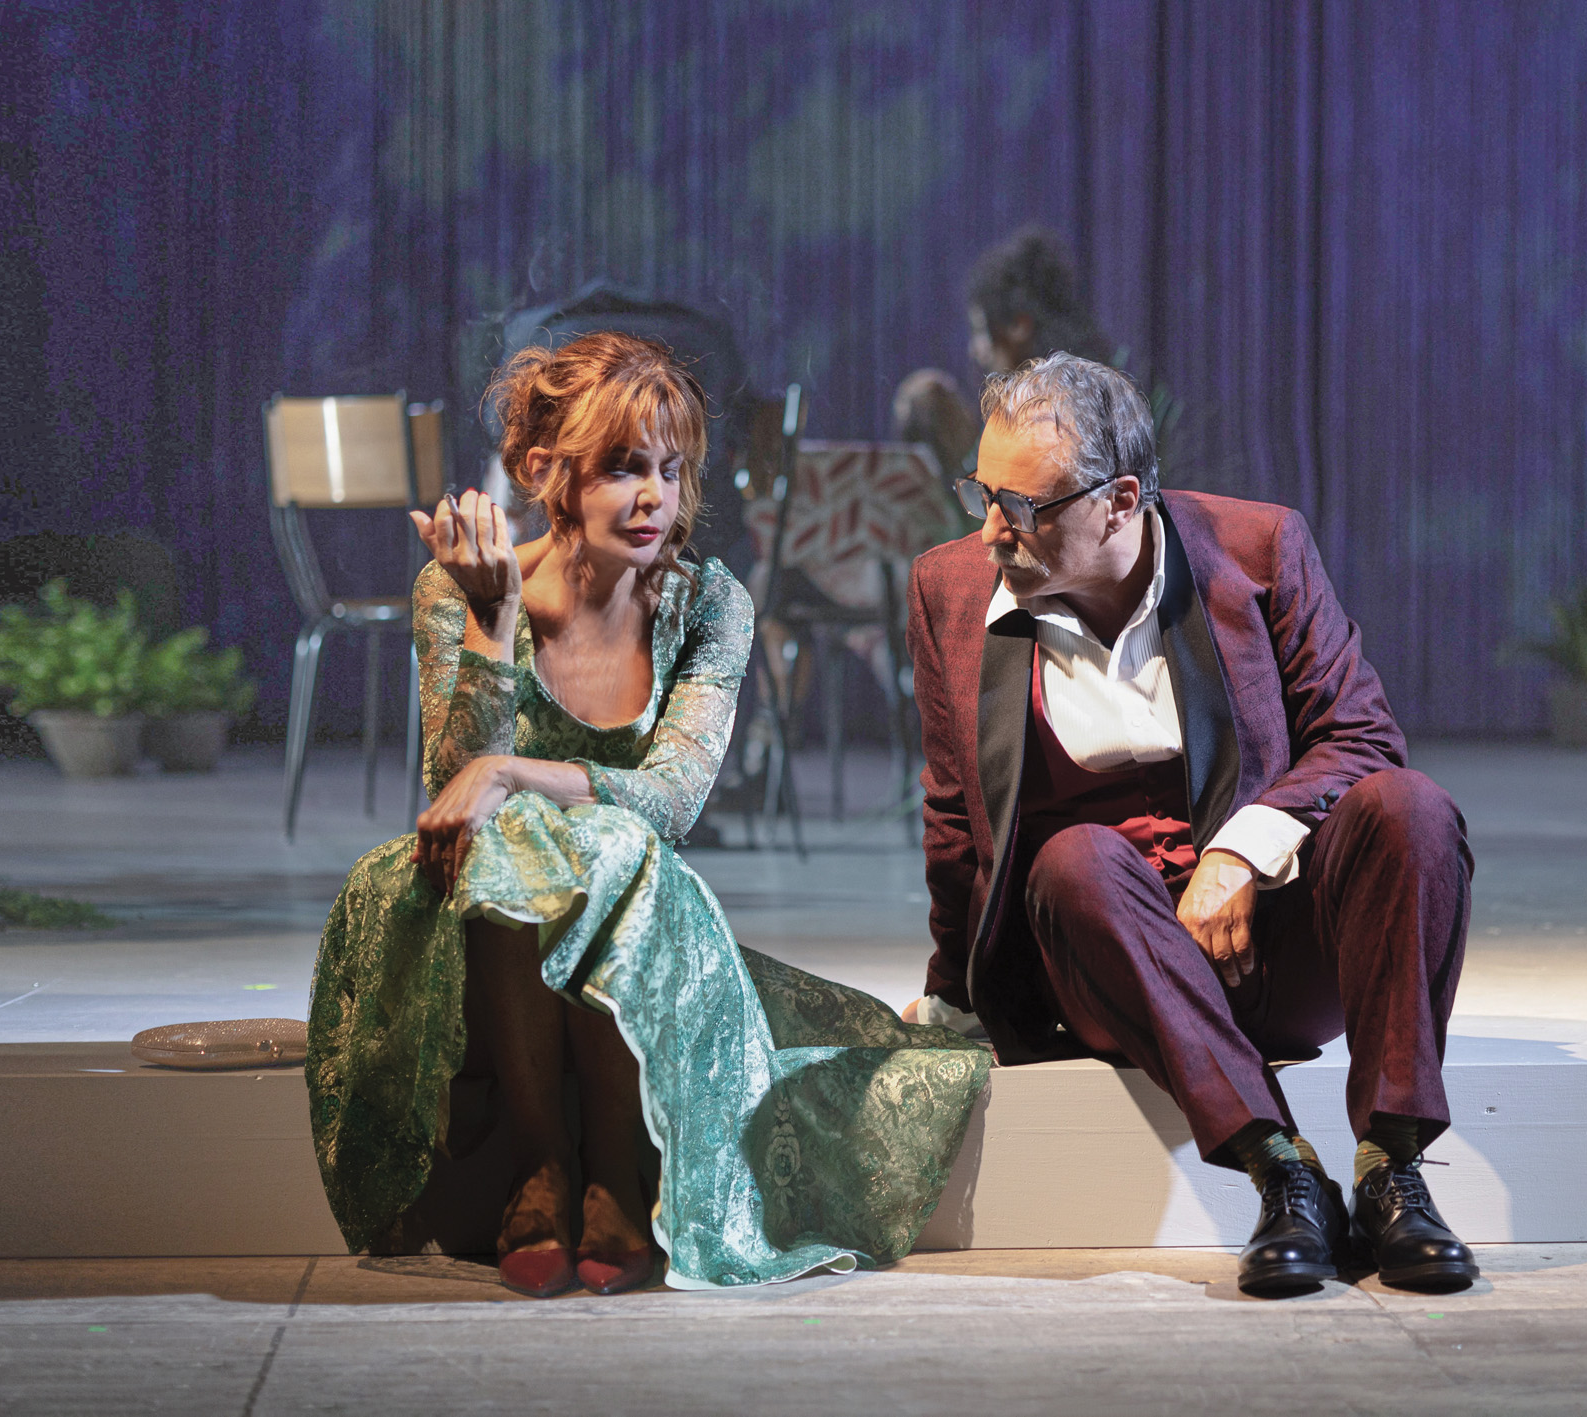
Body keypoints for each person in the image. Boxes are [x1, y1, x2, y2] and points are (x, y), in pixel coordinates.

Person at [306, 332, 989, 1297]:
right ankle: (542, 1162)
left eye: (671, 470)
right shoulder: (454, 589)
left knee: (610, 841)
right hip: (483, 922)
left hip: (641, 909)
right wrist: (494, 624)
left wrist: (511, 769)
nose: (653, 498)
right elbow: (455, 792)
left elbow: (669, 801)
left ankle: (616, 1168)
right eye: (623, 467)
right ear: (546, 472)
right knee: (510, 843)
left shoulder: (709, 606)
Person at [901, 353, 1479, 1296]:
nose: (992, 528)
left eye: (1024, 506)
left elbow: (1362, 735)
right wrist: (951, 1000)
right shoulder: (951, 590)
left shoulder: (1258, 549)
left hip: (1269, 949)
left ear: (1120, 501)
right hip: (1113, 963)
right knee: (1076, 860)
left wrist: (1240, 850)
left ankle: (1392, 1174)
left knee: (1410, 808)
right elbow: (956, 821)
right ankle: (1282, 1172)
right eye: (983, 492)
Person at [894, 225, 1116, 489]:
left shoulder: (1060, 421)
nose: (975, 350)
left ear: (1018, 327)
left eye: (980, 330)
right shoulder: (1096, 393)